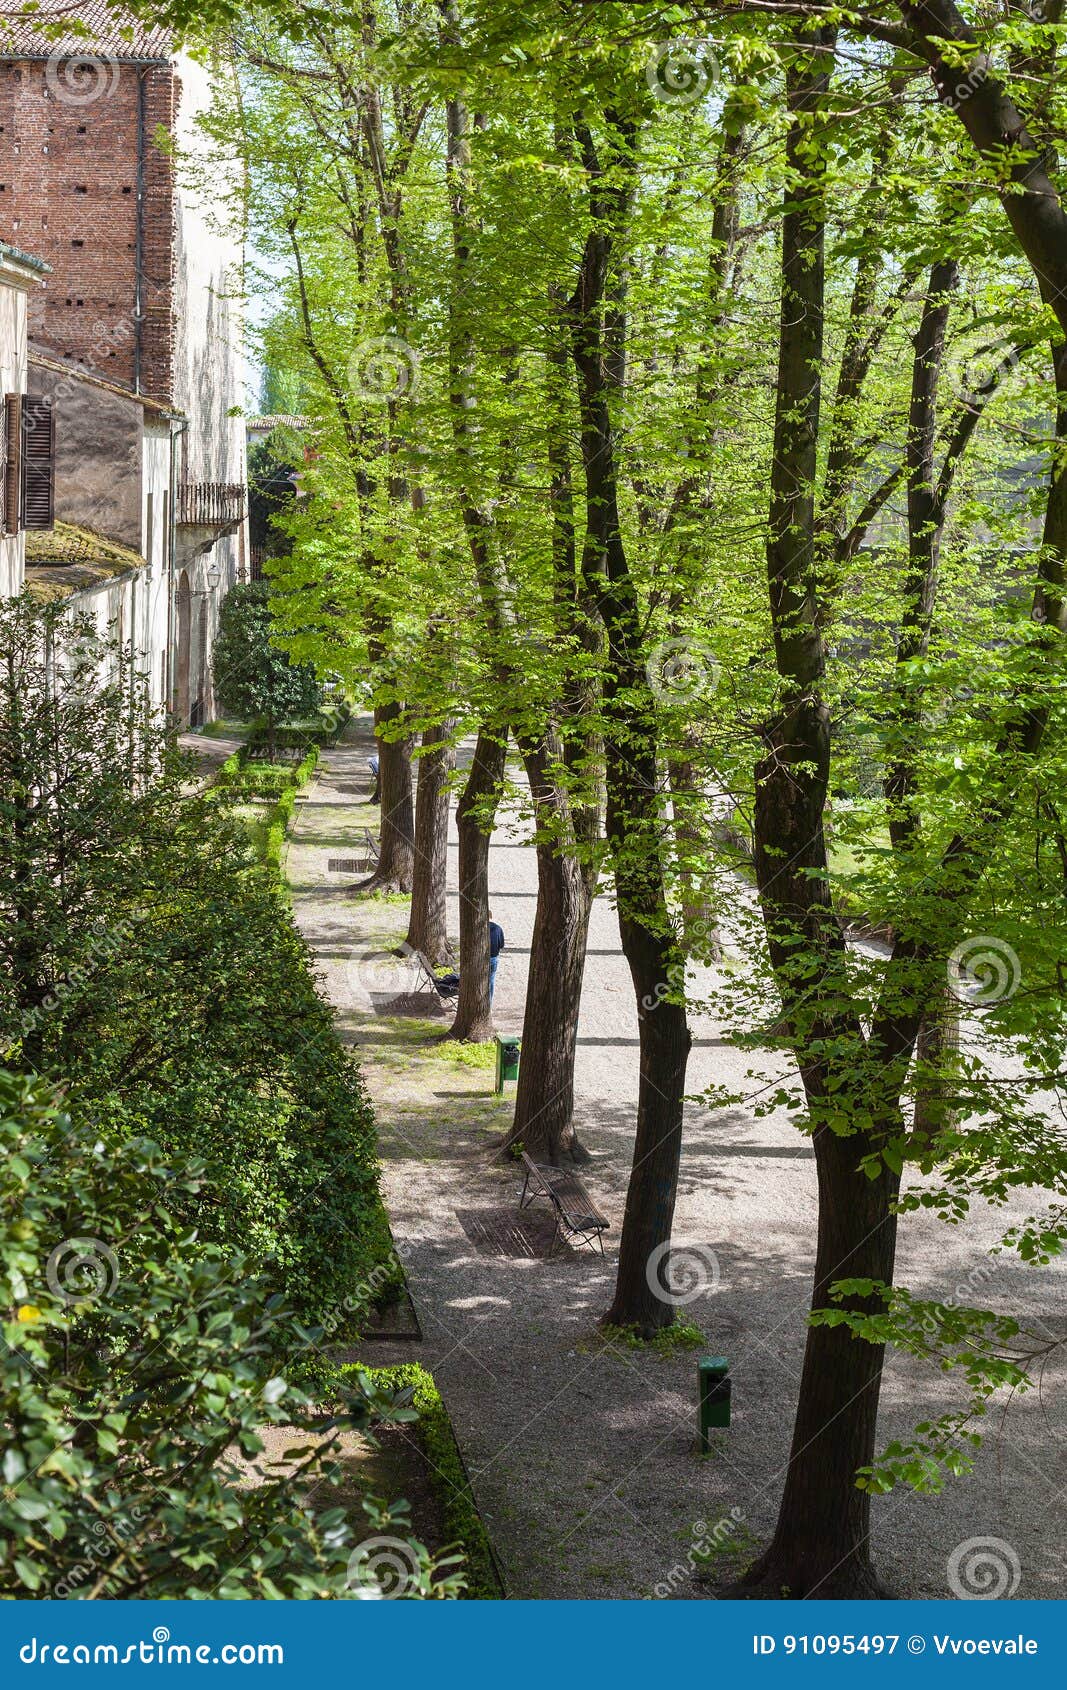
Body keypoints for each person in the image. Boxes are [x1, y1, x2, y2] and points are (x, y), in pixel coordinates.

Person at [488, 911, 505, 1004]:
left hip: (481, 959)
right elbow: (501, 945)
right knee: (491, 980)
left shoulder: (478, 929)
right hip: (493, 958)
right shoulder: (498, 928)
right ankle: (489, 1004)